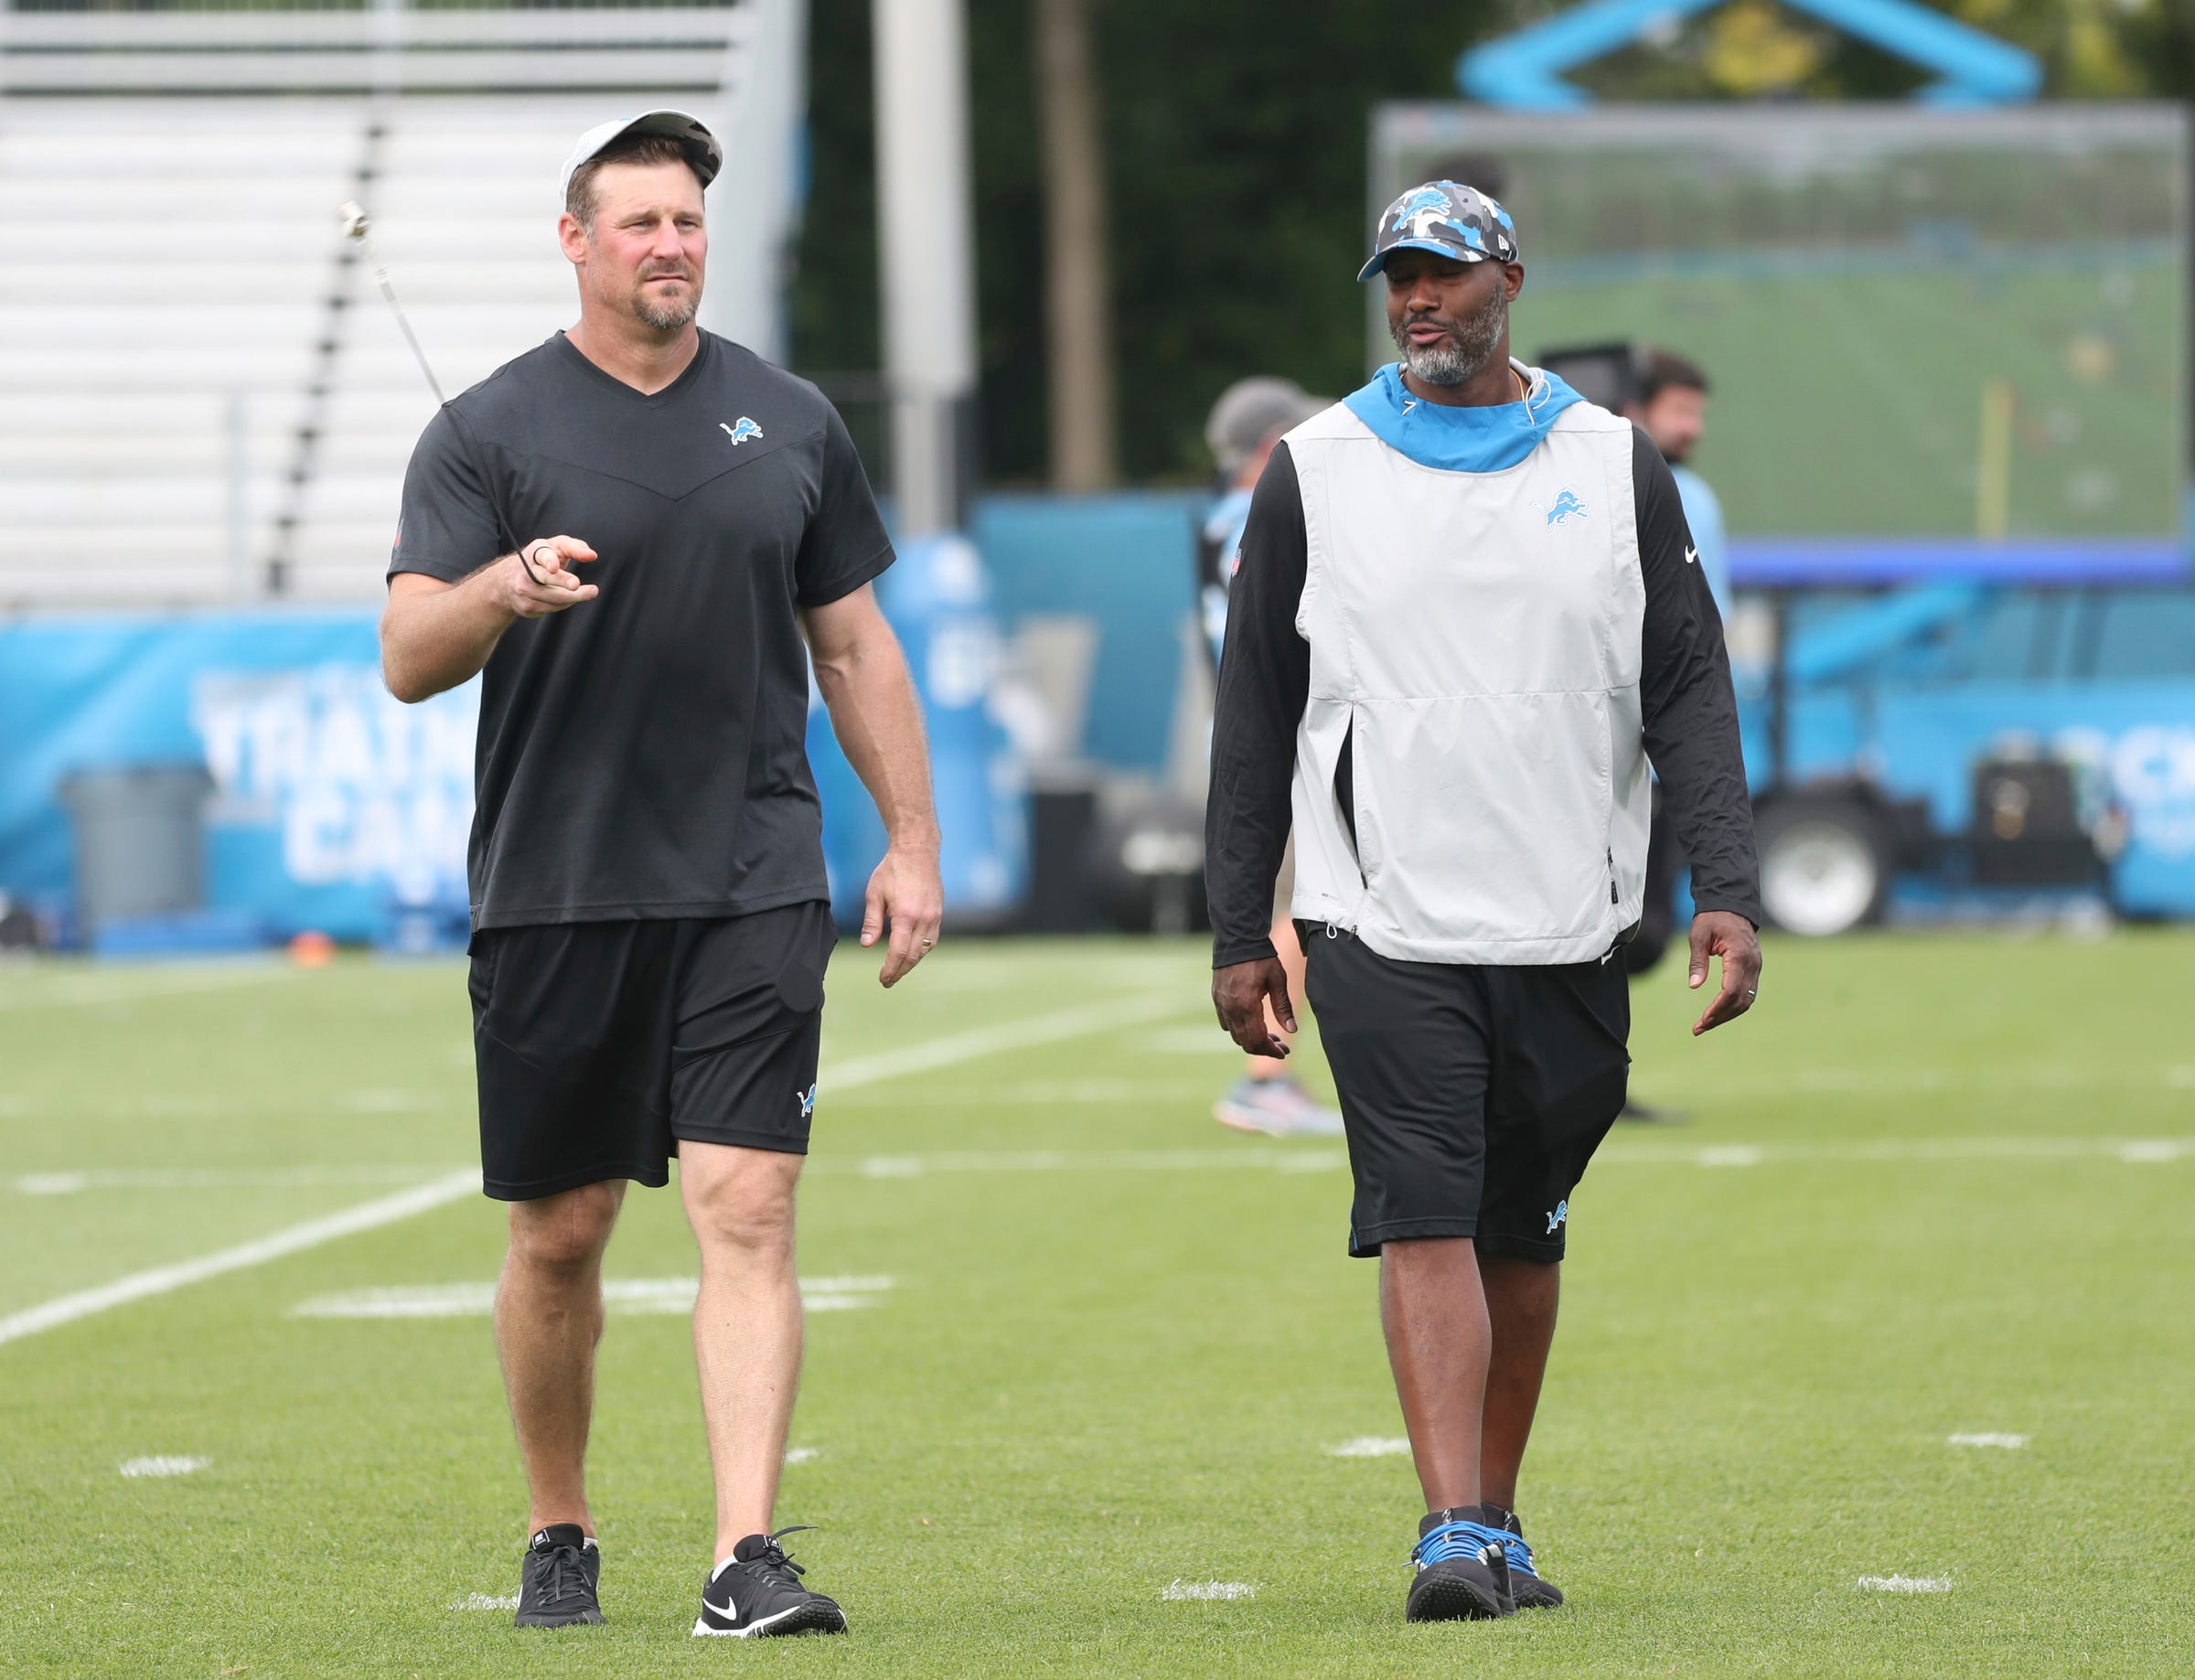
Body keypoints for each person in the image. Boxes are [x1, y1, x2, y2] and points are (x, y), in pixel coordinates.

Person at [379, 109, 943, 1640]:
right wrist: (501, 586)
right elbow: (407, 656)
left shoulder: (793, 419)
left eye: (687, 221)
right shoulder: (487, 429)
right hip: (557, 883)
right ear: (578, 242)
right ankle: (560, 1522)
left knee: (748, 1207)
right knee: (560, 1230)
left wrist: (908, 840)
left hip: (754, 874)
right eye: (639, 223)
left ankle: (744, 1553)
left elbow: (852, 642)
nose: (670, 246)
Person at [1205, 180, 1761, 1623]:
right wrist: (1235, 927)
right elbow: (1255, 712)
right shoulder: (1315, 467)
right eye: (1398, 276)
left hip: (1569, 919)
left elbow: (1689, 687)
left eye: (1444, 273)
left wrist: (1728, 887)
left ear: (1510, 277)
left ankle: (1497, 1518)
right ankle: (1448, 1526)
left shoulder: (1615, 462)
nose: (1418, 300)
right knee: (1426, 1205)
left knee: (1525, 1223)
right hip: (1375, 918)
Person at [1197, 378, 1342, 1138]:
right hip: (1275, 739)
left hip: (1239, 735)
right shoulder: (1267, 515)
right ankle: (1265, 1075)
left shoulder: (1215, 518)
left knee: (1291, 904)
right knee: (1295, 908)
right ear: (1268, 447)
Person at [1616, 351, 1729, 1043]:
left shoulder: (1698, 497)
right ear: (1638, 410)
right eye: (1679, 410)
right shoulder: (1616, 484)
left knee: (1643, 929)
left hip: (1671, 756)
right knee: (1630, 927)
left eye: (1697, 413)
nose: (1692, 427)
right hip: (1622, 750)